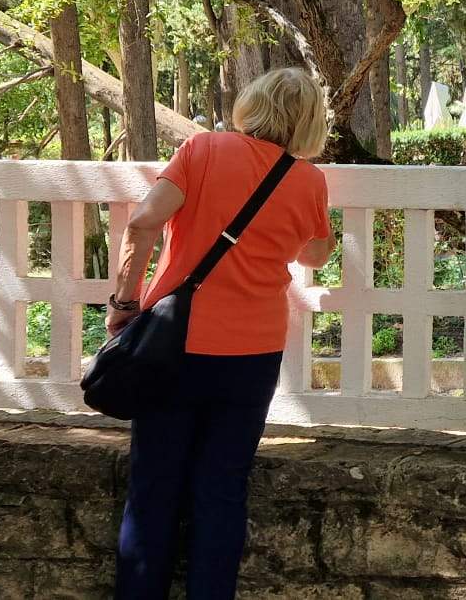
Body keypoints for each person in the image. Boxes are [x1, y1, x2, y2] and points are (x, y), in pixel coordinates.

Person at [109, 67, 336, 599]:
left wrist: (125, 302)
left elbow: (143, 223)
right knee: (222, 489)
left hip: (175, 344)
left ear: (252, 104)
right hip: (252, 353)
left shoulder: (203, 150)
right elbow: (317, 253)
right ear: (309, 124)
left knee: (153, 488)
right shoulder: (308, 180)